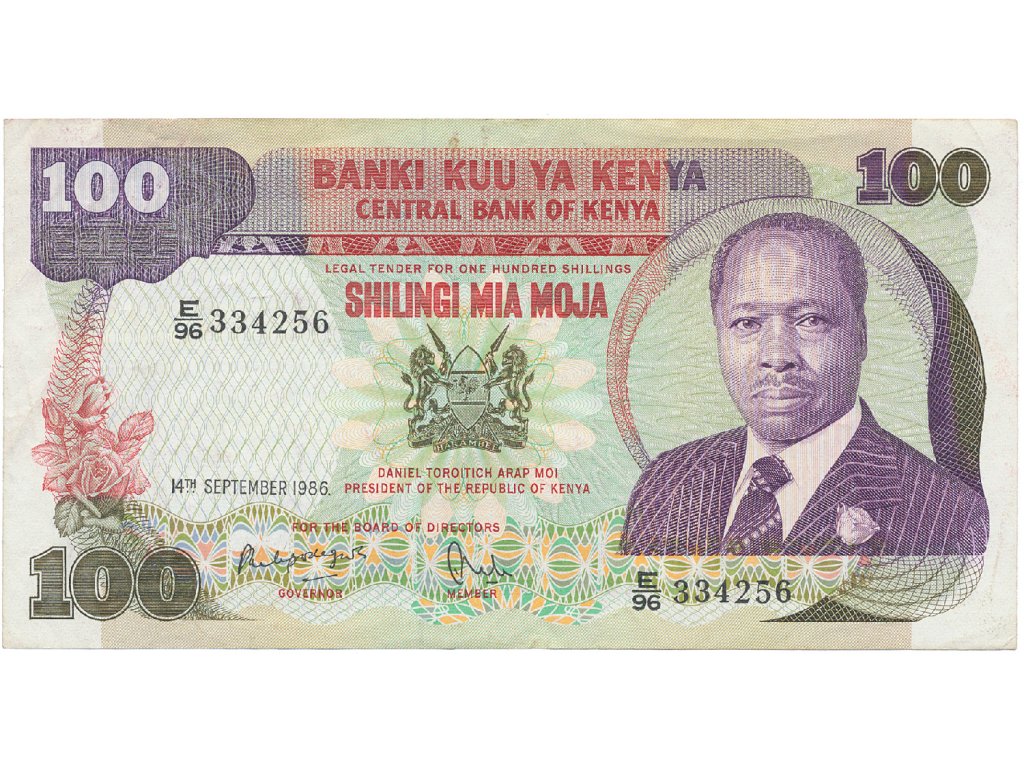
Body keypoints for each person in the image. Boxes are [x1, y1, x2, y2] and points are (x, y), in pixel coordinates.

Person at [621, 212, 989, 557]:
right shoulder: (662, 483)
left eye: (811, 320)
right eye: (747, 323)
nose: (776, 356)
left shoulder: (953, 516)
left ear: (861, 336)